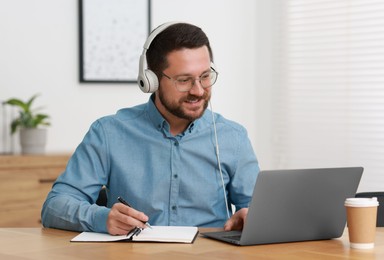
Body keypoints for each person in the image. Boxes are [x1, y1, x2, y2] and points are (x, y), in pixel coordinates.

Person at [41, 22, 260, 235]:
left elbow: (257, 212)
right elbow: (54, 207)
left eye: (205, 76)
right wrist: (101, 218)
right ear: (151, 80)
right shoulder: (108, 132)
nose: (198, 91)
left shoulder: (233, 137)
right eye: (184, 80)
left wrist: (251, 216)